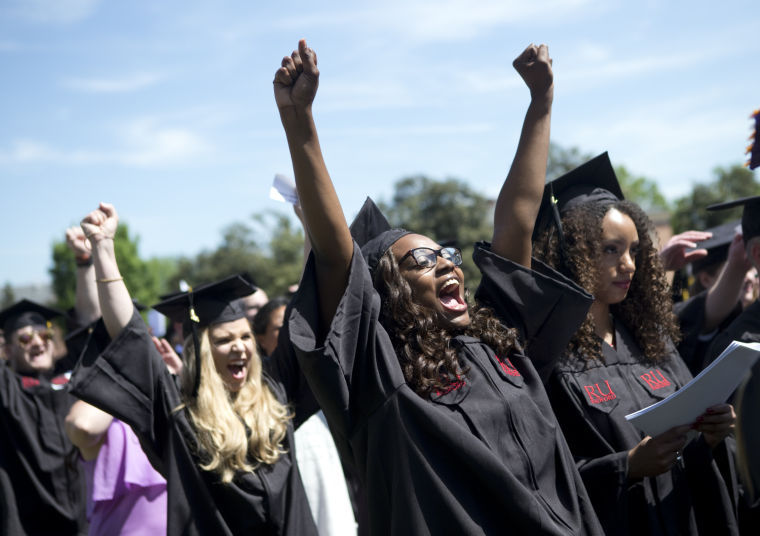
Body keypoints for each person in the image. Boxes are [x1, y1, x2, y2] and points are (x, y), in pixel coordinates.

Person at [276, 39, 603, 534]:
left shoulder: (498, 340)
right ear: (389, 292)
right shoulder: (378, 372)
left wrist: (541, 103)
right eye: (423, 260)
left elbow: (516, 219)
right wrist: (299, 122)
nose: (449, 265)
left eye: (449, 255)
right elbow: (335, 255)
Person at [69, 202, 319, 535]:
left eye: (245, 336)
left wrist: (309, 225)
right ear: (202, 352)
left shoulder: (274, 396)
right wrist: (103, 247)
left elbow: (305, 313)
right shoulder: (183, 418)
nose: (240, 346)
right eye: (224, 339)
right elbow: (129, 337)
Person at [532, 153, 739, 535]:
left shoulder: (650, 341)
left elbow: (689, 446)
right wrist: (625, 467)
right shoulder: (548, 357)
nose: (628, 264)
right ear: (572, 253)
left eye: (634, 251)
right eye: (612, 249)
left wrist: (709, 436)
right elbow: (541, 476)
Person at [660, 222, 751, 374]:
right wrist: (737, 266)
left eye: (751, 267)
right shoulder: (687, 320)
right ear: (706, 280)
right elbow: (713, 307)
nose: (748, 276)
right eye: (728, 269)